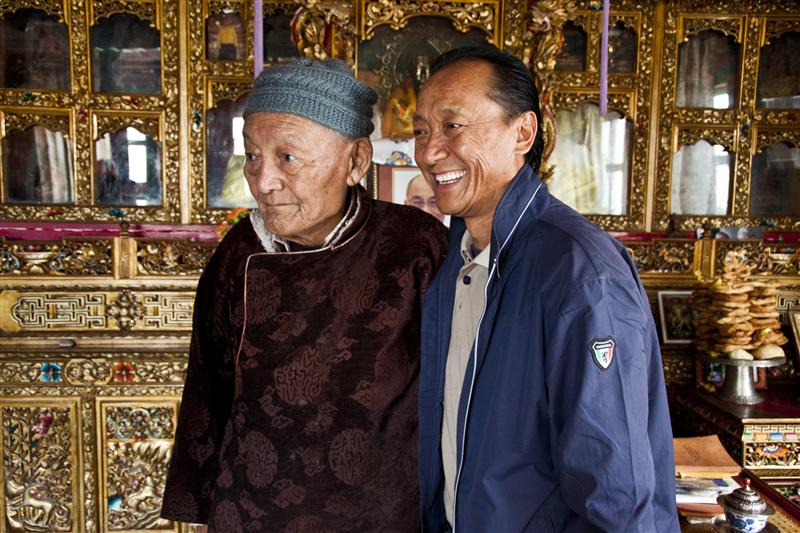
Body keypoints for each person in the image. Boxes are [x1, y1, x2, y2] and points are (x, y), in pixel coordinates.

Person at [161, 58, 448, 532]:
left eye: (287, 158)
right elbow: (207, 389)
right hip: (251, 511)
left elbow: (457, 392)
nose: (263, 180)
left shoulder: (414, 246)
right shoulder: (240, 250)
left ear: (355, 161)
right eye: (252, 156)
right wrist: (199, 507)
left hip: (379, 515)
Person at [413, 45, 679, 532]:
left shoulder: (578, 268)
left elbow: (617, 488)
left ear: (523, 132)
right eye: (421, 131)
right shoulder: (456, 258)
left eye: (453, 126)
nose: (429, 152)